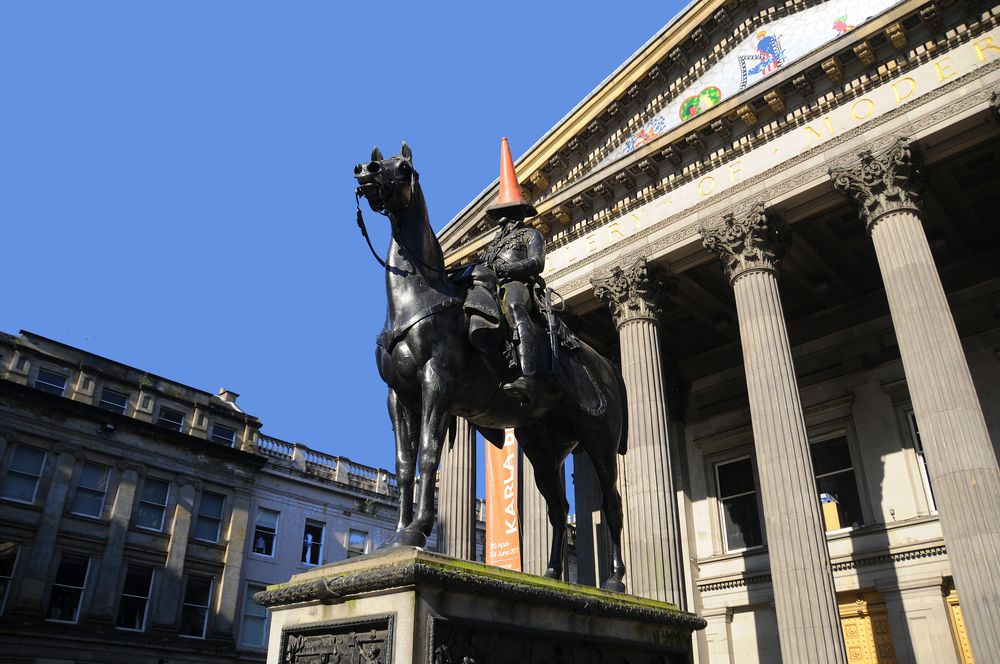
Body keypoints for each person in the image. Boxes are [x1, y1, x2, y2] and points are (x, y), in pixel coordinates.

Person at [482, 212, 545, 404]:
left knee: (514, 306)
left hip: (516, 283)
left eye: (504, 213)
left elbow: (537, 262)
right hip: (489, 287)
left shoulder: (531, 234)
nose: (500, 220)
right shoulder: (490, 248)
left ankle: (527, 377)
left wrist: (509, 269)